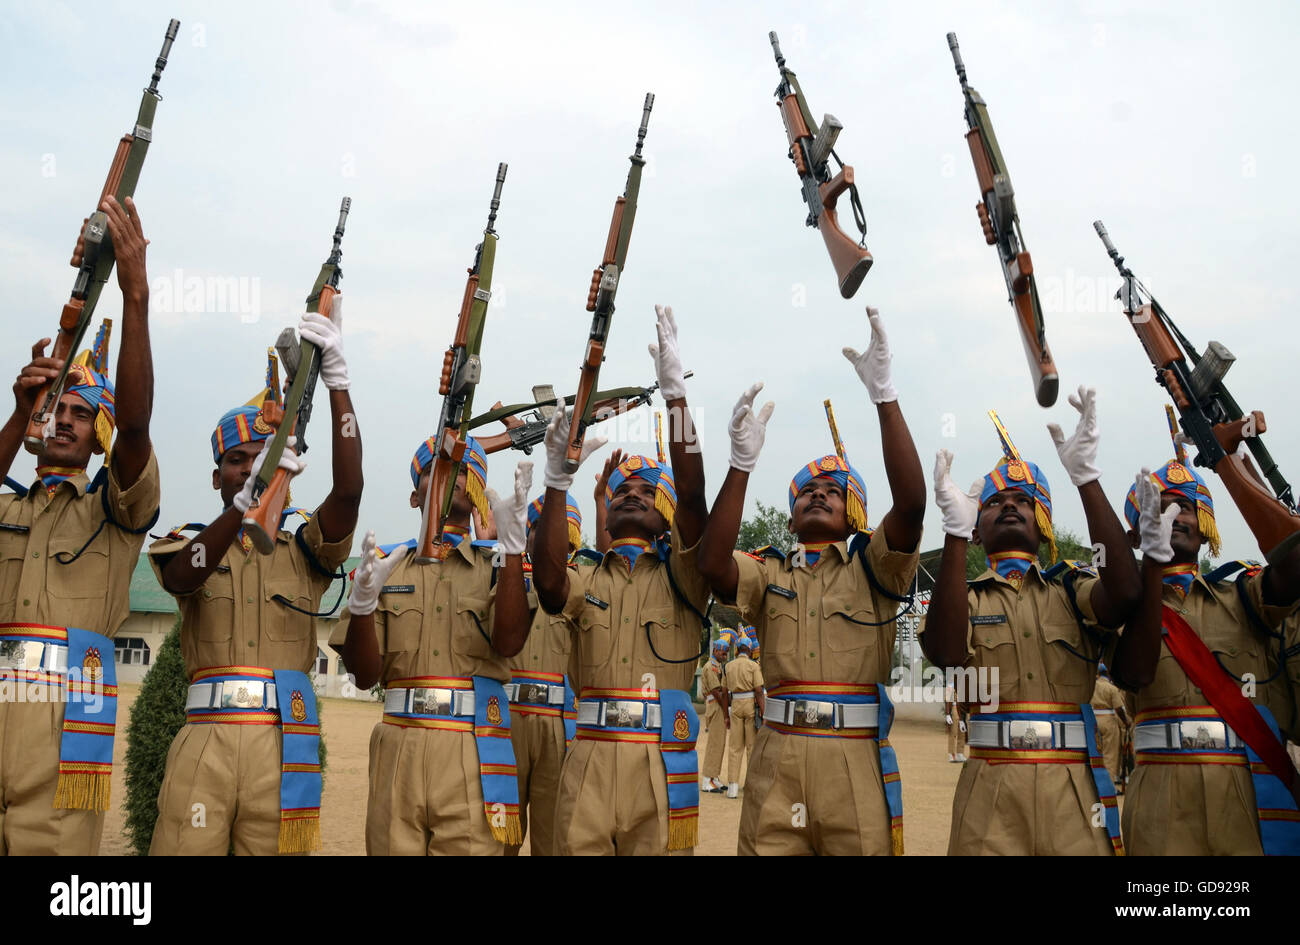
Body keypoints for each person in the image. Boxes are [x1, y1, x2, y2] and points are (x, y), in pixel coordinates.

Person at [696, 307, 925, 855]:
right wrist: (740, 465)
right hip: (778, 757)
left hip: (854, 760)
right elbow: (711, 564)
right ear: (792, 515)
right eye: (805, 491)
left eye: (832, 489)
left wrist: (884, 396)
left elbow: (913, 504)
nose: (818, 493)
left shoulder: (877, 566)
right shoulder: (771, 570)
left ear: (856, 512)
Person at [149, 312, 360, 855]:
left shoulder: (306, 551)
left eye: (259, 460)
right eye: (235, 462)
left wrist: (338, 385)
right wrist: (240, 512)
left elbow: (350, 492)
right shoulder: (191, 541)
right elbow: (181, 575)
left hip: (282, 744)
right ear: (217, 477)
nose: (247, 470)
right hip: (205, 738)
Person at [0, 197, 157, 856]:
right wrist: (16, 413)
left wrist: (135, 297)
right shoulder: (10, 510)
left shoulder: (112, 514)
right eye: (51, 407)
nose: (62, 419)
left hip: (65, 736)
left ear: (97, 432)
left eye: (77, 411)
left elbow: (138, 431)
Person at [923, 389, 1141, 855]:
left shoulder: (1071, 587)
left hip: (1074, 788)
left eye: (1023, 500)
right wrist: (954, 534)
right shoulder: (964, 599)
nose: (1008, 505)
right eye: (994, 500)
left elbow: (1123, 593)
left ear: (1043, 520)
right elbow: (945, 652)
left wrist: (1085, 478)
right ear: (977, 526)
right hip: (991, 782)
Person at [533, 303, 710, 855]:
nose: (630, 494)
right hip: (586, 755)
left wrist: (675, 394)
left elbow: (695, 495)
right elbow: (549, 586)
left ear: (665, 515)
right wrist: (558, 479)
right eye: (621, 492)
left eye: (645, 493)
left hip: (660, 760)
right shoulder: (590, 575)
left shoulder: (685, 575)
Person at [333, 436, 532, 855]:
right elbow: (364, 676)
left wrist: (512, 552)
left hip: (474, 746)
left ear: (479, 493)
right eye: (435, 468)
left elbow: (510, 642)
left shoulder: (498, 567)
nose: (451, 474)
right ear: (413, 495)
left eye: (464, 470)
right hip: (399, 743)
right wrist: (364, 603)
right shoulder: (384, 566)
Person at [1111, 457, 1300, 854]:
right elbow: (1133, 673)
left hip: (1247, 788)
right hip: (1160, 794)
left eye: (1187, 507)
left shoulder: (1244, 596)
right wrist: (1152, 566)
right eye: (1160, 507)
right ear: (1136, 533)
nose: (1175, 515)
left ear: (1207, 528)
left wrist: (1228, 465)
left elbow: (1295, 565)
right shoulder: (1118, 609)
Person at [503, 489, 587, 856]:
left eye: (563, 533)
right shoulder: (504, 574)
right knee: (499, 830)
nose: (553, 539)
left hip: (559, 722)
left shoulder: (581, 586)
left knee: (553, 835)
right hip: (505, 719)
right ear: (528, 531)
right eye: (542, 528)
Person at [724, 629, 764, 798]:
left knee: (734, 747)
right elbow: (759, 691)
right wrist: (763, 711)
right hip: (749, 705)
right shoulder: (753, 666)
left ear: (738, 649)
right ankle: (750, 785)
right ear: (748, 650)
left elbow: (724, 691)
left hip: (734, 704)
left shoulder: (728, 666)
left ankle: (732, 787)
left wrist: (726, 714)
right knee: (751, 746)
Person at [699, 631, 731, 794]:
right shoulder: (711, 667)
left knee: (720, 743)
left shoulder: (717, 665)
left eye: (726, 652)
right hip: (716, 706)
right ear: (715, 650)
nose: (725, 654)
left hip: (718, 706)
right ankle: (707, 780)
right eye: (723, 651)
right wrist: (727, 712)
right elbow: (717, 692)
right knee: (714, 744)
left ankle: (714, 778)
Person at [1089, 663, 1128, 787]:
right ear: (1108, 674)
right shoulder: (1111, 688)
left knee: (1095, 755)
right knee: (1109, 756)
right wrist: (1126, 722)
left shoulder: (1092, 687)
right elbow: (1119, 708)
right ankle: (1108, 787)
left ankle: (1095, 785)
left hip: (1093, 720)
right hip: (1108, 721)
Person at [944, 683, 967, 763]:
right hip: (955, 708)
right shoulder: (951, 685)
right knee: (953, 732)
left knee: (963, 732)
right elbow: (947, 700)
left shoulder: (965, 684)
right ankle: (951, 753)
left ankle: (960, 753)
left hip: (964, 709)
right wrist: (947, 714)